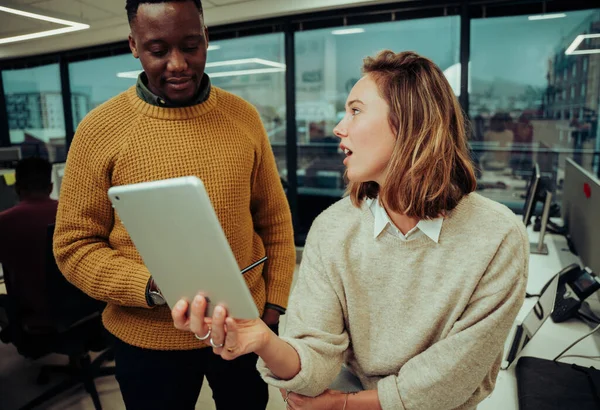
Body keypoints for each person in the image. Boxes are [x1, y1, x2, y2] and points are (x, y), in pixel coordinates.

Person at [172, 50, 529, 410]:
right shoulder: (333, 227)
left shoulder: (498, 236)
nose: (338, 128)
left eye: (355, 110)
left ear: (410, 120)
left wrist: (343, 404)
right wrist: (263, 340)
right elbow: (315, 357)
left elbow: (450, 378)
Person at [53, 0, 296, 409]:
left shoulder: (244, 117)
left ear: (206, 38)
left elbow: (273, 218)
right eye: (159, 50)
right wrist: (152, 285)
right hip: (147, 339)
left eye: (191, 45)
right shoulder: (99, 131)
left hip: (242, 325)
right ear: (134, 45)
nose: (179, 63)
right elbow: (73, 246)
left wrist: (274, 304)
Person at [0, 157, 58, 333]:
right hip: (84, 311)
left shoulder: (4, 222)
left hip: (35, 317)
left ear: (17, 189)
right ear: (51, 187)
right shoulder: (72, 213)